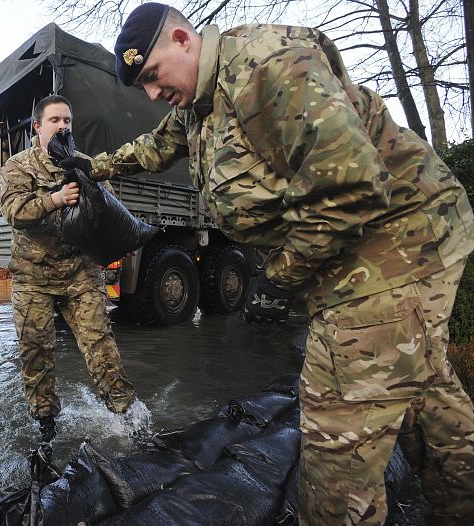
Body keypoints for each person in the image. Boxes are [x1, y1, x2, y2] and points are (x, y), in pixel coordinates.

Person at [91, 3, 474, 524]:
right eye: (143, 87)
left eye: (153, 77)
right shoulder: (198, 105)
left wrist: (280, 275)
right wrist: (93, 166)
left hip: (396, 241)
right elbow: (156, 148)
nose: (153, 94)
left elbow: (353, 187)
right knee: (423, 392)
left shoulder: (271, 67)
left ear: (183, 40)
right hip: (361, 242)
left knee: (335, 432)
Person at [0, 95, 136, 444]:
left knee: (100, 345)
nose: (63, 126)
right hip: (34, 278)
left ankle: (126, 416)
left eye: (67, 121)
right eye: (55, 120)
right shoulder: (17, 166)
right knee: (36, 351)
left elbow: (107, 208)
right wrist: (54, 199)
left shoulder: (83, 163)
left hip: (81, 274)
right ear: (38, 127)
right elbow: (14, 212)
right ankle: (45, 424)